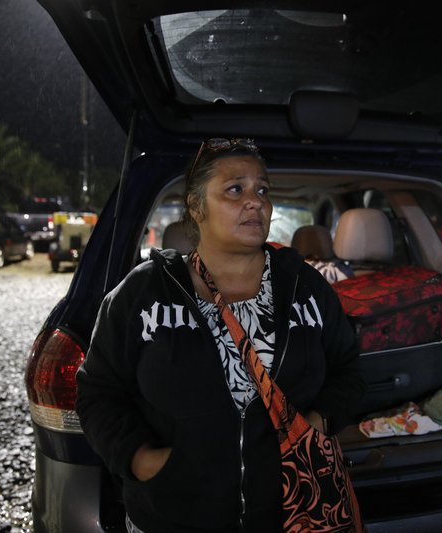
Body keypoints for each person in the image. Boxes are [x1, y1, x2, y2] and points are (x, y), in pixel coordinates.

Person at [76, 138, 364, 532]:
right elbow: (98, 392)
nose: (255, 202)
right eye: (235, 189)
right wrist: (142, 460)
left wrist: (316, 423)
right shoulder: (143, 294)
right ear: (196, 207)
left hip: (292, 518)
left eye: (262, 189)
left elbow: (348, 368)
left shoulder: (305, 286)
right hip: (172, 520)